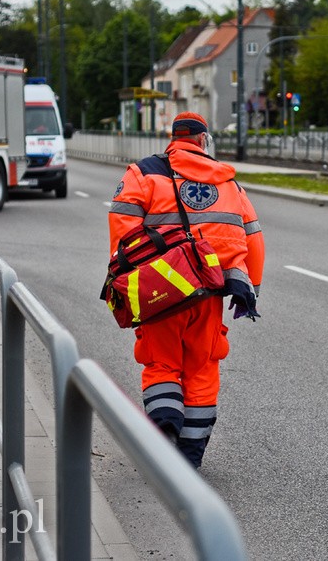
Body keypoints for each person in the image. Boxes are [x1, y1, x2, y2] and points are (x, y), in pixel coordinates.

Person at [108, 112, 265, 468]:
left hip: (161, 293)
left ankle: (164, 432)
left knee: (161, 363)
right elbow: (253, 237)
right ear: (203, 141)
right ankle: (190, 457)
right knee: (202, 368)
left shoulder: (143, 174)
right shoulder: (228, 182)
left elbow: (122, 229)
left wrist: (129, 280)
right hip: (209, 292)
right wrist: (250, 288)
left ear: (173, 139)